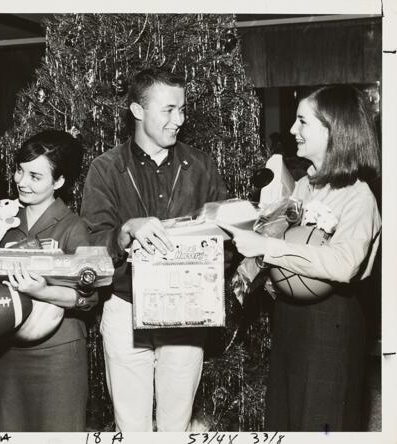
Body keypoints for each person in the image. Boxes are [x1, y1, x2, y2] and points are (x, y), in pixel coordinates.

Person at [218, 85, 381, 431]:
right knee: (286, 419)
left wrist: (266, 248)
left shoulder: (358, 196)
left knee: (321, 423)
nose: (292, 131)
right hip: (290, 322)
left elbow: (343, 265)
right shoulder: (307, 186)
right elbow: (289, 249)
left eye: (302, 122)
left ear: (333, 129)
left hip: (331, 328)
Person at [80, 67, 228, 432]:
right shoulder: (105, 169)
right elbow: (89, 247)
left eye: (182, 109)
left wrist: (225, 234)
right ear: (137, 110)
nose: (180, 119)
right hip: (124, 308)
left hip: (187, 315)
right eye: (169, 109)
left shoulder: (202, 166)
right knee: (131, 428)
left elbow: (226, 238)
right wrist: (123, 233)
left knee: (176, 426)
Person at [0, 129, 98, 432]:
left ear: (59, 182)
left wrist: (43, 290)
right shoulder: (4, 221)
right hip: (7, 353)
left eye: (35, 176)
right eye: (19, 170)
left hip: (58, 356)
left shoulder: (74, 227)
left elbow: (88, 299)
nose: (21, 181)